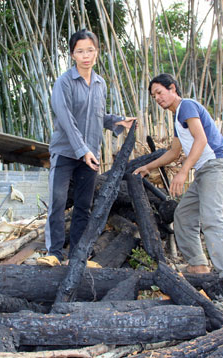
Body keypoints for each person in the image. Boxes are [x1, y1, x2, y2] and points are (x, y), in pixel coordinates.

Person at [134, 73, 223, 289]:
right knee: (183, 215)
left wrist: (183, 172)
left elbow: (201, 139)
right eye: (153, 96)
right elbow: (174, 152)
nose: (157, 98)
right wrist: (148, 167)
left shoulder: (187, 106)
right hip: (204, 170)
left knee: (212, 218)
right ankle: (198, 265)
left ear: (172, 88)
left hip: (216, 166)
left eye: (159, 92)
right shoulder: (177, 118)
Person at [37, 29, 135, 268]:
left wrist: (117, 121)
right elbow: (66, 120)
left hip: (90, 154)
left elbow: (96, 116)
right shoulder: (64, 82)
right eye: (80, 51)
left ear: (97, 52)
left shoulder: (100, 84)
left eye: (90, 50)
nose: (86, 55)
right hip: (65, 151)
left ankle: (77, 257)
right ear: (72, 55)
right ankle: (54, 253)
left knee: (83, 206)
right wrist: (82, 150)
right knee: (58, 202)